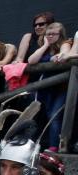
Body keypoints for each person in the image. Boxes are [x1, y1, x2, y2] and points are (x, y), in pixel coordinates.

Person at [29, 23, 72, 151]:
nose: (51, 36)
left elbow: (64, 54)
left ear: (60, 35)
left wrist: (59, 56)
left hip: (61, 88)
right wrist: (46, 45)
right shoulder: (45, 48)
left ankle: (54, 146)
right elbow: (31, 60)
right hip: (45, 90)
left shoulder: (65, 43)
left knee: (54, 115)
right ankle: (42, 144)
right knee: (45, 115)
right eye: (48, 34)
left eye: (54, 34)